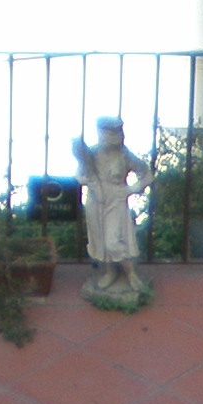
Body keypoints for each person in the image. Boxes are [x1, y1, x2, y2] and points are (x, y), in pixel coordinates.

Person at [71, 119, 149, 307]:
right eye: (106, 134)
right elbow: (79, 174)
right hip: (95, 200)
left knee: (113, 241)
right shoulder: (91, 154)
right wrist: (86, 180)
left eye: (115, 134)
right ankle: (110, 272)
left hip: (116, 200)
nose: (111, 138)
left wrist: (132, 189)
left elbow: (146, 173)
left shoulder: (124, 155)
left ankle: (130, 273)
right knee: (100, 242)